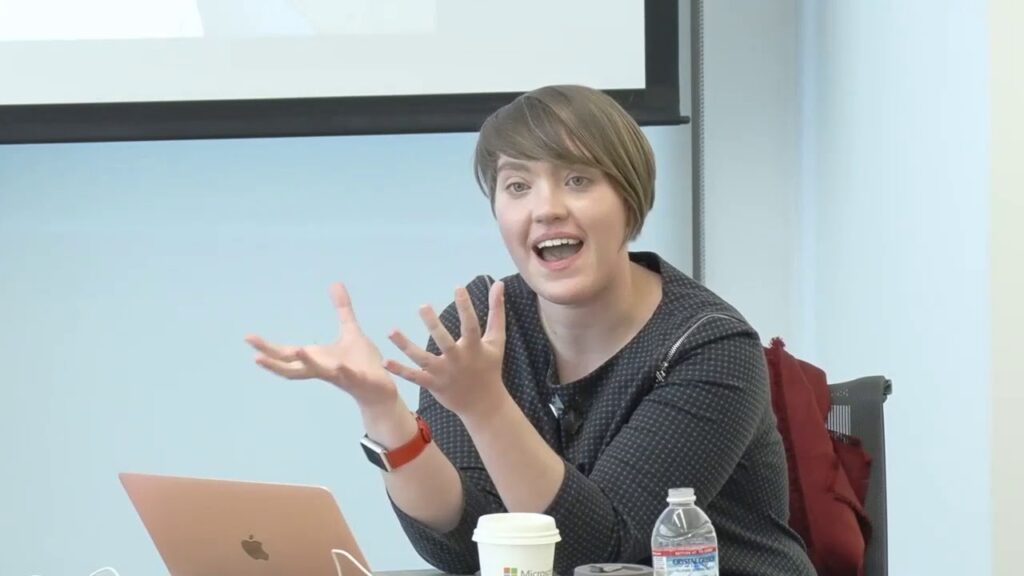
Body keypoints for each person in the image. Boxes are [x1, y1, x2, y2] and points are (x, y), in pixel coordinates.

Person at [245, 85, 815, 576]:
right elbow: (463, 543)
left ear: (629, 199)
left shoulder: (708, 347)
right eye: (517, 186)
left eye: (577, 179)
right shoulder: (484, 324)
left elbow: (598, 554)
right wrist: (385, 413)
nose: (545, 209)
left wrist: (486, 406)